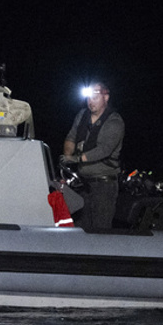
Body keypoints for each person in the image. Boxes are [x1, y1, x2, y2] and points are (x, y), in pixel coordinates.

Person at [61, 81, 124, 230]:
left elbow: (104, 149)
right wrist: (66, 160)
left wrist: (77, 159)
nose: (91, 101)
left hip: (104, 185)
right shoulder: (82, 115)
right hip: (83, 184)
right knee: (81, 228)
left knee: (100, 230)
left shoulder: (115, 121)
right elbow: (71, 137)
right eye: (88, 97)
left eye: (95, 96)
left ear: (106, 97)